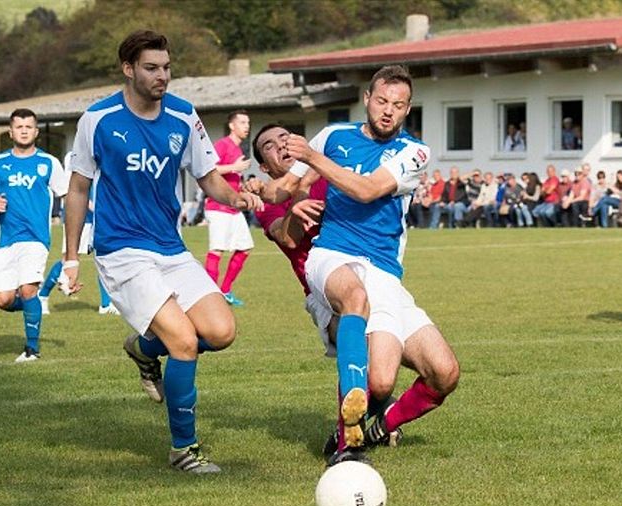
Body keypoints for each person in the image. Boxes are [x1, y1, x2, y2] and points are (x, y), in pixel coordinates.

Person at [61, 30, 262, 474]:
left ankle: (145, 348)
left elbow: (209, 178)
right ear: (128, 69)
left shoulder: (184, 116)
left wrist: (236, 199)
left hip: (171, 248)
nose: (162, 76)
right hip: (121, 251)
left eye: (167, 68)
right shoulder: (98, 119)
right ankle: (183, 450)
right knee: (185, 342)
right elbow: (77, 189)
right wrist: (71, 257)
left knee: (221, 331)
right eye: (152, 68)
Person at [283, 65, 460, 465]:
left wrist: (313, 157)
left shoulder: (414, 152)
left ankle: (378, 425)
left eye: (398, 105)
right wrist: (263, 190)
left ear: (407, 109)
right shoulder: (333, 136)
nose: (388, 111)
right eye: (381, 101)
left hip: (384, 271)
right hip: (333, 254)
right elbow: (288, 185)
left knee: (441, 373)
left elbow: (367, 190)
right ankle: (349, 443)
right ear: (367, 99)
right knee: (354, 296)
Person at [0, 109, 67, 362]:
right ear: (11, 132)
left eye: (29, 126)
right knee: (3, 300)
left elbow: (67, 194)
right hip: (5, 239)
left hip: (36, 238)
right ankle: (34, 306)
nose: (24, 130)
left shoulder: (49, 163)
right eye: (19, 127)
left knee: (27, 289)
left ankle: (32, 349)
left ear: (36, 132)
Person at [38, 163, 118, 316]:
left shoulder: (105, 153)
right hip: (80, 219)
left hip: (100, 220)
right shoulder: (76, 155)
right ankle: (42, 295)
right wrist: (91, 206)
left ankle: (106, 304)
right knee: (67, 260)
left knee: (104, 259)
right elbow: (73, 190)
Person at [204, 110, 254, 306]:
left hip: (233, 208)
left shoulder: (238, 149)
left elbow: (232, 179)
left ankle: (225, 291)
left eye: (248, 122)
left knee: (245, 247)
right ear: (232, 126)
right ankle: (209, 297)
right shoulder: (222, 144)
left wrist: (244, 189)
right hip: (218, 206)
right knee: (217, 250)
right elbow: (210, 169)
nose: (246, 126)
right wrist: (234, 168)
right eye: (242, 122)